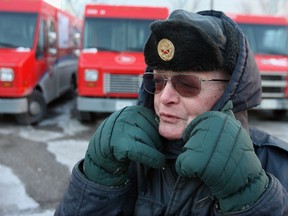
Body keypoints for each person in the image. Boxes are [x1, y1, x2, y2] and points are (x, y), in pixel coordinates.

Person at [54, 9, 288, 215]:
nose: (164, 97)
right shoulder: (125, 155)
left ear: (230, 89)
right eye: (157, 82)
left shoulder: (274, 164)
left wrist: (249, 199)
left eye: (187, 85)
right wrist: (97, 180)